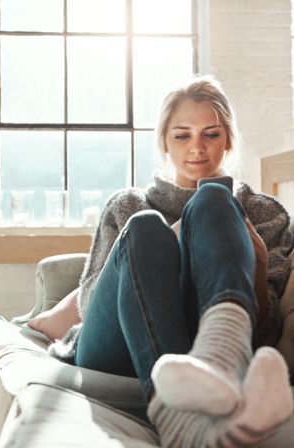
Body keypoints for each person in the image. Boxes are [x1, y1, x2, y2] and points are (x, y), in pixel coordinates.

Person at [34, 76, 294, 447]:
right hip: (117, 346)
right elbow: (91, 307)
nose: (197, 148)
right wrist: (178, 239)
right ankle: (181, 408)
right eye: (182, 135)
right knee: (146, 227)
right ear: (164, 143)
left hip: (220, 341)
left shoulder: (264, 213)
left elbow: (266, 330)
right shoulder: (128, 205)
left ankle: (211, 373)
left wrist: (260, 264)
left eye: (211, 134)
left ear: (229, 140)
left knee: (215, 201)